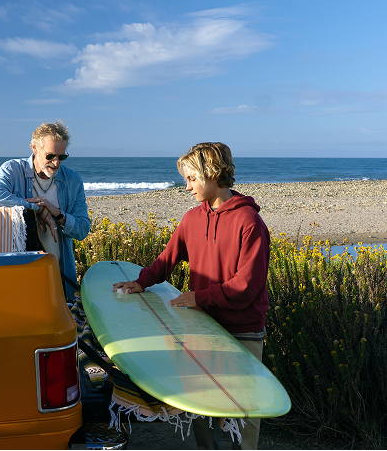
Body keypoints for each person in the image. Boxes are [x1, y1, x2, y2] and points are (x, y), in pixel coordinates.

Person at [113, 142, 270, 451]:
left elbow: (246, 288)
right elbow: (166, 260)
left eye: (192, 179)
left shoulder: (249, 222)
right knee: (202, 404)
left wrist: (199, 297)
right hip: (203, 327)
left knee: (246, 409)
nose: (186, 187)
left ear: (213, 173)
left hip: (243, 331)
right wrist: (142, 281)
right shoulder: (191, 219)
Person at [0, 120, 90, 303]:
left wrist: (57, 214)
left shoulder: (73, 180)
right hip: (20, 271)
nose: (56, 162)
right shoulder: (12, 170)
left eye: (62, 157)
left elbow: (83, 229)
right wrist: (37, 208)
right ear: (34, 148)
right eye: (50, 155)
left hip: (59, 275)